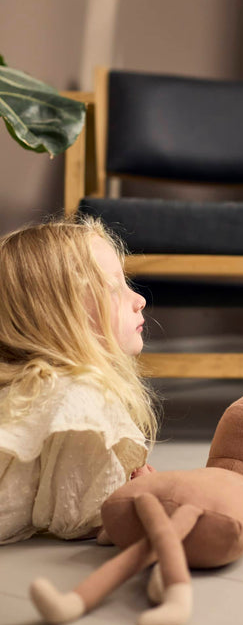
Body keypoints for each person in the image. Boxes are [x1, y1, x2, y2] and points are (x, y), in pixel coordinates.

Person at [0, 216, 159, 544]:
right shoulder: (81, 397)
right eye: (115, 288)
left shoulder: (39, 389)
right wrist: (136, 491)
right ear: (62, 316)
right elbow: (77, 517)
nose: (139, 299)